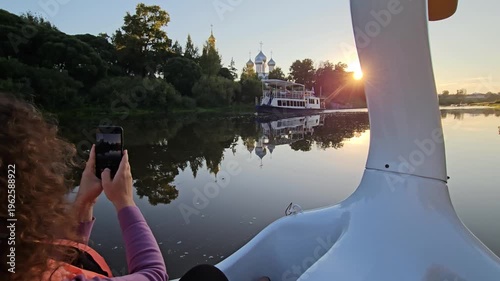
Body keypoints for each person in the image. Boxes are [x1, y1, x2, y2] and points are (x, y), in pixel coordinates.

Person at [0, 95, 230, 281]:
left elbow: (67, 258)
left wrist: (84, 201)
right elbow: (154, 275)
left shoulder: (14, 258)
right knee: (207, 276)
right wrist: (124, 201)